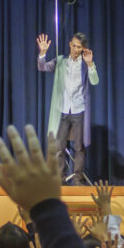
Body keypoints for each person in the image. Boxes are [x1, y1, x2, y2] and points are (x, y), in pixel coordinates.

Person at [36, 32, 99, 183]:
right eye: (74, 46)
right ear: (70, 44)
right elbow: (42, 67)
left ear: (83, 49)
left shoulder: (85, 63)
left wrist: (90, 64)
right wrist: (42, 53)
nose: (76, 50)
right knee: (59, 146)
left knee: (79, 147)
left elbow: (95, 81)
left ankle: (77, 178)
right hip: (63, 110)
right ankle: (60, 178)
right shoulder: (60, 61)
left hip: (79, 109)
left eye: (79, 47)